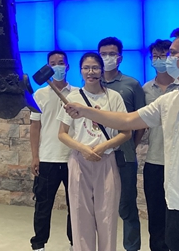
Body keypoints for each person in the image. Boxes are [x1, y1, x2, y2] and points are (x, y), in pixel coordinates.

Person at [65, 26, 179, 251]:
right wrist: (85, 110)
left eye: (174, 53)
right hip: (175, 206)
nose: (168, 59)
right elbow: (127, 120)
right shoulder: (169, 101)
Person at [57, 52, 132, 251]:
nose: (91, 72)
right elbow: (62, 134)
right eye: (86, 68)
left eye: (95, 67)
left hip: (106, 160)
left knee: (107, 216)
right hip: (79, 161)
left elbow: (126, 132)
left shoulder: (113, 97)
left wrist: (104, 146)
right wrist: (82, 148)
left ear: (102, 70)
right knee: (80, 216)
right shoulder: (73, 97)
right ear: (80, 71)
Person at [98, 37, 145, 251]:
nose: (107, 58)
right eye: (103, 54)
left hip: (124, 154)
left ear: (120, 58)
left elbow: (141, 121)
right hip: (99, 153)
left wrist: (131, 145)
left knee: (127, 204)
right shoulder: (91, 85)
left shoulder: (131, 84)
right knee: (100, 204)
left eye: (112, 54)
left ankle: (131, 247)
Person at [30, 50, 76, 251]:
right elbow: (35, 127)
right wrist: (35, 156)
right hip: (48, 157)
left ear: (68, 66)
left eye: (61, 62)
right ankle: (38, 244)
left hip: (73, 158)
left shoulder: (77, 94)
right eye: (53, 63)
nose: (58, 66)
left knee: (75, 205)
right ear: (48, 67)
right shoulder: (39, 95)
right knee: (43, 204)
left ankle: (75, 242)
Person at [142, 39, 178, 251]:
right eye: (155, 56)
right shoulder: (146, 89)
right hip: (155, 160)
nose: (159, 60)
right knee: (156, 217)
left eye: (164, 56)